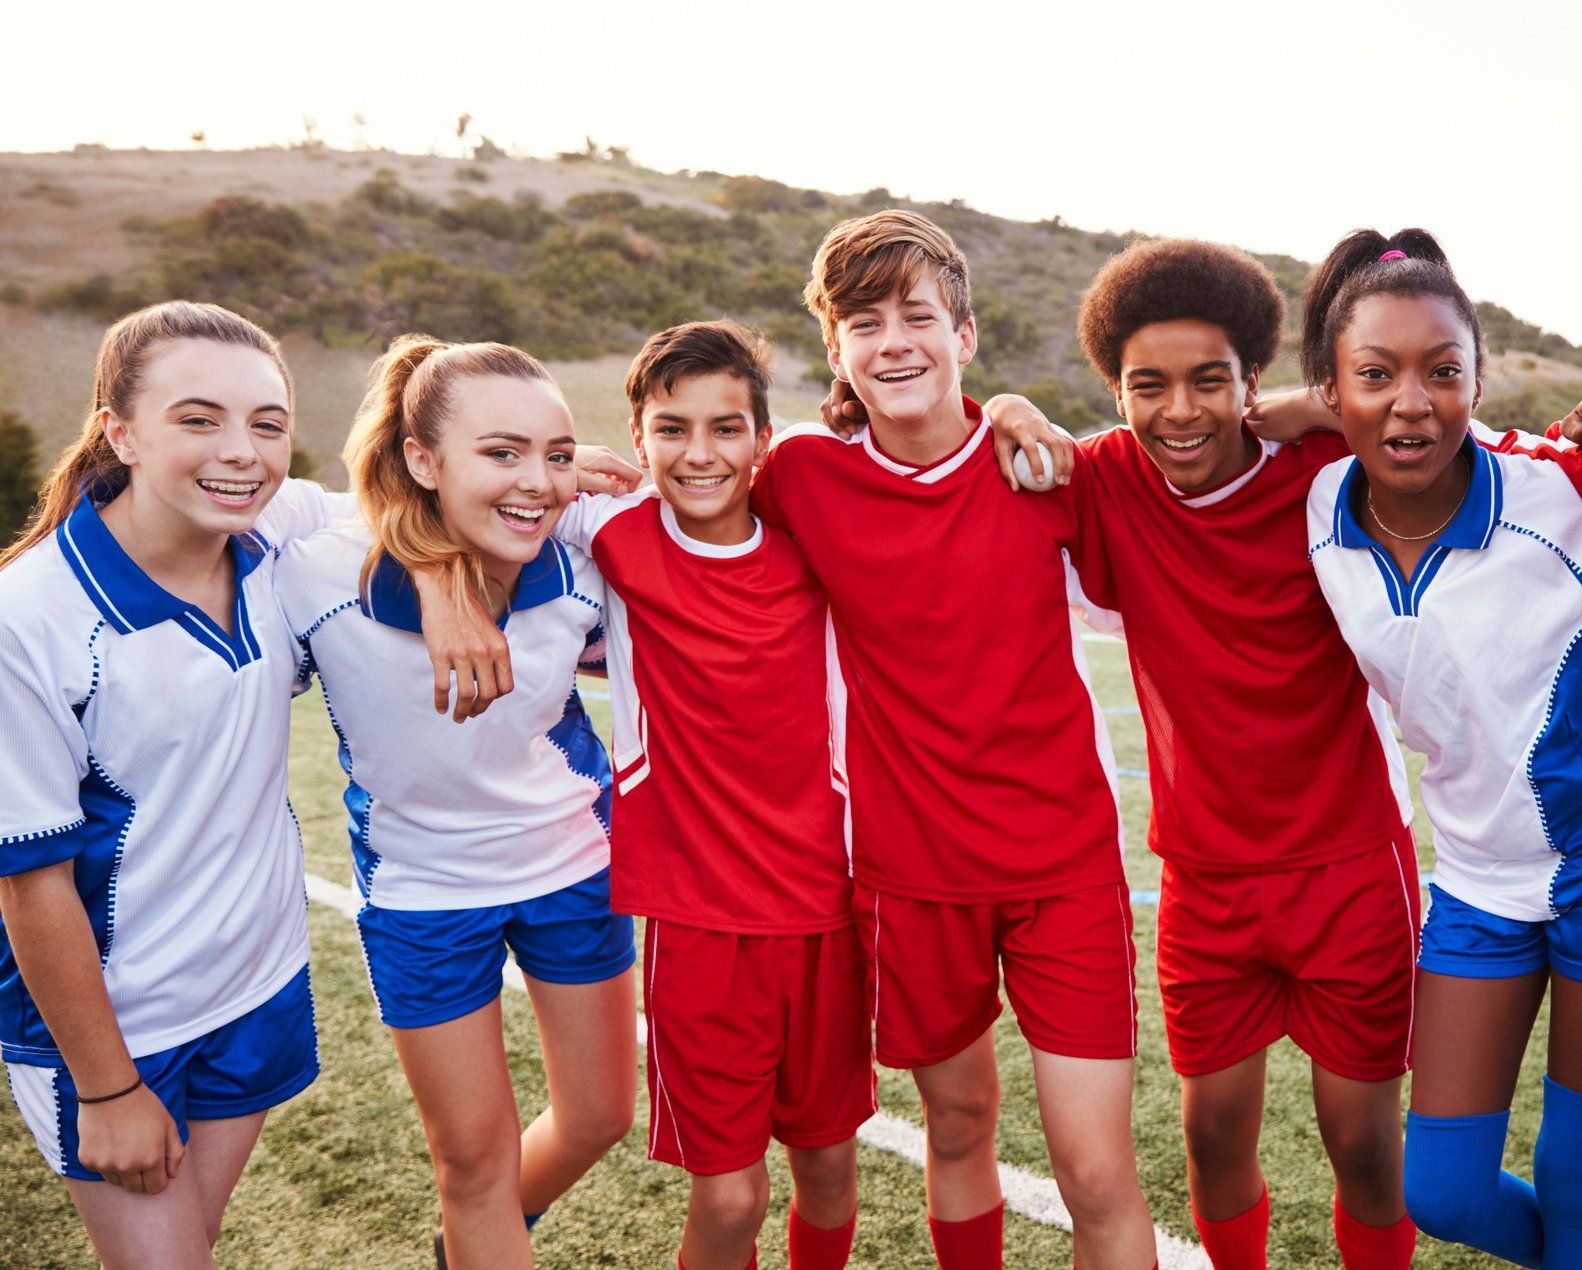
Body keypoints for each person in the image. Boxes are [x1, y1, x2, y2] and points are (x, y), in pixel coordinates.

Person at [932, 239, 1424, 1269]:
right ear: (1113, 392)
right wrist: (1008, 403)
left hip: (1346, 866)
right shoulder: (1107, 480)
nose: (1179, 411)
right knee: (1208, 1136)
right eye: (1145, 387)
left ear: (1253, 380)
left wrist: (1316, 404)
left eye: (1211, 381)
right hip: (1204, 878)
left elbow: (1409, 412)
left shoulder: (1323, 473)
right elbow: (959, 459)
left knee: (1365, 1145)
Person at [752, 210, 1156, 1270]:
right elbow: (675, 519)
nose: (895, 342)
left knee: (1097, 1170)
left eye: (917, 316)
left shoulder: (1044, 468)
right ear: (835, 351)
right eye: (864, 322)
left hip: (1062, 865)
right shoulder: (800, 478)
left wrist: (1023, 412)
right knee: (961, 1124)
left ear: (963, 337)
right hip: (908, 871)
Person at [275, 337, 637, 1270]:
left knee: (599, 1118)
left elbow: (746, 463)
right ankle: (478, 1230)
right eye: (501, 451)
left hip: (573, 867)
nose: (536, 483)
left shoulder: (582, 554)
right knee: (472, 1162)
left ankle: (468, 1243)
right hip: (423, 895)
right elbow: (240, 486)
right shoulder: (321, 568)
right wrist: (432, 567)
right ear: (421, 461)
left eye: (555, 454)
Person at [0, 301, 340, 1268]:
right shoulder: (29, 617)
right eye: (199, 419)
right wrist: (106, 1088)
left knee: (192, 1242)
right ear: (119, 430)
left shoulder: (283, 531)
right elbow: (29, 881)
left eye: (267, 423)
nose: (243, 453)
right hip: (117, 1027)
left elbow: (433, 512)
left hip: (256, 981)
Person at [556, 320, 871, 1270]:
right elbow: (464, 486)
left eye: (726, 428)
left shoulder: (816, 541)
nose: (700, 454)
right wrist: (566, 467)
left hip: (831, 907)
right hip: (701, 921)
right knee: (731, 1199)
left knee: (827, 1169)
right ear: (640, 438)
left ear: (762, 441)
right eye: (672, 429)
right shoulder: (612, 533)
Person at [1299, 230, 1582, 1267]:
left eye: (1441, 371)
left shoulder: (1554, 489)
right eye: (1375, 374)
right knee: (1442, 1191)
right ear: (1329, 386)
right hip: (1475, 880)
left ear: (1477, 380)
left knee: (1575, 1184)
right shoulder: (1319, 505)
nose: (1411, 400)